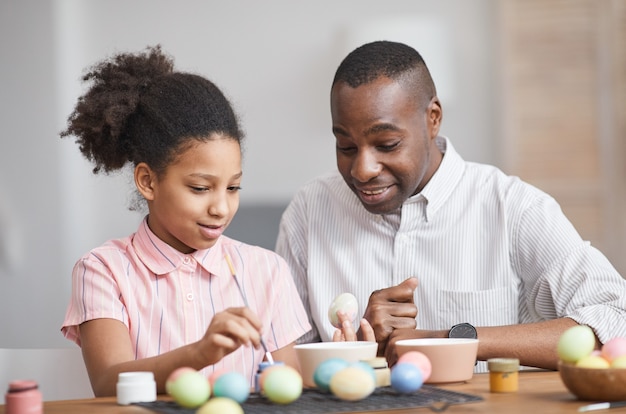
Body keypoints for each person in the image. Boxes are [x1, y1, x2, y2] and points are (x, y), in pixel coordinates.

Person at [276, 40, 626, 372]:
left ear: (433, 118)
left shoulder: (513, 208)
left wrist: (451, 339)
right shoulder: (310, 212)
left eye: (387, 143)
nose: (362, 170)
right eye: (346, 147)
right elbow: (278, 360)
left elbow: (616, 318)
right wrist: (356, 349)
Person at [60, 45, 311, 397]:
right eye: (200, 188)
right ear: (148, 181)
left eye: (233, 187)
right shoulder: (103, 270)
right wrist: (198, 354)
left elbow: (289, 388)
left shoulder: (267, 272)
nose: (221, 208)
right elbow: (108, 382)